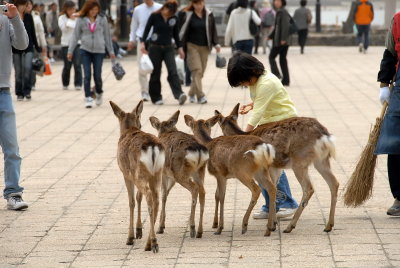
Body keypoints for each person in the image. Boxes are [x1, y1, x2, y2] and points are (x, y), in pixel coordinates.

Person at [227, 51, 299, 219]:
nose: (244, 84)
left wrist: (244, 137)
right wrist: (252, 104)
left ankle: (286, 204)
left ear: (251, 71)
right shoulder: (257, 80)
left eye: (243, 80)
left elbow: (258, 112)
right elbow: (261, 102)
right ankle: (271, 205)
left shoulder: (267, 82)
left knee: (270, 162)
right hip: (269, 124)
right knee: (261, 161)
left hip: (283, 124)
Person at [0, 2, 29, 210]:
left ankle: (14, 193)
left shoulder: (5, 15)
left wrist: (15, 18)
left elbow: (21, 44)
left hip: (3, 92)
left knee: (12, 147)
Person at [68, 0, 115, 108]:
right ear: (87, 9)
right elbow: (75, 36)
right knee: (87, 75)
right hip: (85, 50)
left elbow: (107, 36)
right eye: (92, 10)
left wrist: (111, 51)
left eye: (96, 10)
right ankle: (88, 97)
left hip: (99, 51)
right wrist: (70, 51)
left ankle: (98, 92)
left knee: (97, 75)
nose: (94, 12)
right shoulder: (81, 20)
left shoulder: (102, 20)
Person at [376, 12, 400, 216]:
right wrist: (384, 83)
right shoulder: (398, 19)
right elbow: (391, 51)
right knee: (395, 142)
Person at [140, 0, 187, 105]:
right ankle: (156, 97)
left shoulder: (174, 19)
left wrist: (180, 48)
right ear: (164, 7)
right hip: (155, 48)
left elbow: (176, 35)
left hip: (168, 48)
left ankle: (179, 94)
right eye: (167, 10)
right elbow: (146, 30)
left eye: (171, 12)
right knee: (156, 72)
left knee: (173, 71)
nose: (168, 13)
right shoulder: (154, 16)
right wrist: (143, 43)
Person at [179, 0, 220, 104]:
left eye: (201, 3)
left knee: (200, 73)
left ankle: (192, 93)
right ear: (193, 4)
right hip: (192, 46)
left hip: (205, 47)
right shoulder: (187, 15)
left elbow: (213, 30)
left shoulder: (209, 14)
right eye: (197, 3)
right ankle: (200, 96)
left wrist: (216, 44)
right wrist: (180, 47)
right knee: (197, 70)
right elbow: (181, 31)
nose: (199, 6)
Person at [127, 0, 162, 101]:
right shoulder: (138, 9)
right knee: (142, 66)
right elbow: (134, 26)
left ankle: (154, 90)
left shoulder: (159, 7)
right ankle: (144, 91)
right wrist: (131, 40)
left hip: (156, 42)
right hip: (142, 41)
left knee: (156, 67)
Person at [13, 0, 41, 101]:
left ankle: (27, 91)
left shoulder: (29, 17)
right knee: (18, 72)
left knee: (27, 68)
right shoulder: (12, 16)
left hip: (28, 47)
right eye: (20, 5)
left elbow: (32, 32)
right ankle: (19, 92)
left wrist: (37, 47)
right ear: (16, 5)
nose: (22, 7)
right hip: (15, 48)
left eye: (24, 5)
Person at [59, 1, 82, 91]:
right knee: (67, 65)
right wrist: (71, 20)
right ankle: (65, 83)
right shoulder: (62, 18)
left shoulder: (78, 18)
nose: (72, 11)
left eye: (73, 8)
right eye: (69, 9)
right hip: (66, 44)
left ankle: (78, 83)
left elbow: (79, 28)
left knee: (77, 64)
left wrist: (73, 20)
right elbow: (63, 28)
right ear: (66, 9)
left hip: (77, 44)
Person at [269, 0, 290, 86]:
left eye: (278, 1)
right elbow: (277, 27)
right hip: (281, 40)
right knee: (282, 60)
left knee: (271, 57)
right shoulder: (280, 11)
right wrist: (271, 36)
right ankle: (286, 80)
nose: (276, 2)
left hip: (281, 41)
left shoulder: (283, 12)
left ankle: (277, 74)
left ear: (282, 2)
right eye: (275, 1)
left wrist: (283, 39)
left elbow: (285, 26)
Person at [29, 1, 47, 90]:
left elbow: (41, 32)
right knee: (22, 67)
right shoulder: (16, 15)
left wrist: (43, 45)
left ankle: (32, 83)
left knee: (33, 64)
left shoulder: (36, 16)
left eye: (29, 4)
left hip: (34, 45)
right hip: (21, 45)